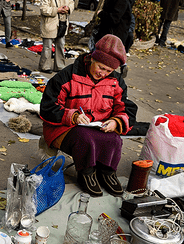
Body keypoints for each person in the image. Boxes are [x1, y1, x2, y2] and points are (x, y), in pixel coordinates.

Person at [39, 34, 138, 196]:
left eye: (109, 70)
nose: (103, 73)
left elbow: (124, 108)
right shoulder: (68, 76)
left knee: (114, 139)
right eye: (101, 67)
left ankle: (107, 172)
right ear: (93, 58)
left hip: (97, 127)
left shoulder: (116, 81)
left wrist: (116, 121)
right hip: (64, 128)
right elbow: (48, 107)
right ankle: (86, 172)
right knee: (84, 137)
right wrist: (73, 116)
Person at [38, 0, 74, 73]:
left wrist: (68, 8)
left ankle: (59, 66)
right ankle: (45, 66)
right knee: (47, 47)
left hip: (62, 24)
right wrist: (57, 10)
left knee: (60, 45)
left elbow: (71, 4)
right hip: (49, 24)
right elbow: (43, 9)